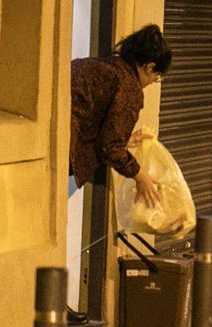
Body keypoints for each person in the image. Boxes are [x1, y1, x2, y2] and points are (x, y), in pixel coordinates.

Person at [70, 24, 171, 207]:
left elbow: (93, 118)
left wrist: (124, 139)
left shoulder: (105, 66)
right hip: (64, 151)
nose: (150, 83)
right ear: (150, 67)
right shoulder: (129, 88)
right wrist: (140, 177)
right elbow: (109, 148)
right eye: (156, 78)